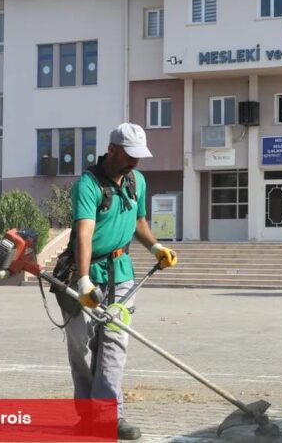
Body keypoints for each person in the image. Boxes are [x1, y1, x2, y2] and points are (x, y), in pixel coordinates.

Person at [58, 122, 177, 440]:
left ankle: (109, 417)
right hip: (81, 275)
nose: (136, 162)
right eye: (130, 155)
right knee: (81, 349)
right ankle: (87, 417)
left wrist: (156, 247)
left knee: (113, 345)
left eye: (139, 156)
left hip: (122, 275)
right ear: (112, 149)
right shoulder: (88, 184)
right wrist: (83, 280)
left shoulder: (137, 180)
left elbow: (138, 220)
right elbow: (83, 233)